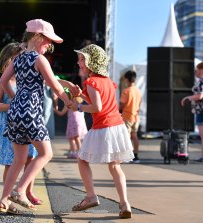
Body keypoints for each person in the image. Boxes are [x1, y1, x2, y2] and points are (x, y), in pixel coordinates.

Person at [0, 19, 76, 211]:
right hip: (31, 113)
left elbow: (3, 80)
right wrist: (69, 103)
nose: (49, 45)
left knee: (18, 160)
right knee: (46, 153)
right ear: (37, 36)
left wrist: (15, 98)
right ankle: (20, 190)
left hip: (15, 112)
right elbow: (55, 85)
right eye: (48, 40)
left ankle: (4, 199)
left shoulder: (17, 59)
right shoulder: (39, 60)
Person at [71, 44, 134, 219]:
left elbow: (97, 107)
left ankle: (91, 195)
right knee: (115, 166)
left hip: (103, 127)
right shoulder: (107, 82)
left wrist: (79, 107)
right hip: (117, 126)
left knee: (82, 159)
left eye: (82, 59)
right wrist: (81, 95)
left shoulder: (91, 81)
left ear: (92, 62)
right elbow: (101, 100)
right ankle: (124, 204)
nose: (79, 62)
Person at [0, 43, 42, 215]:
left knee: (30, 158)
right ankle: (6, 198)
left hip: (27, 123)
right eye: (18, 57)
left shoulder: (25, 78)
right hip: (8, 124)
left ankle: (27, 192)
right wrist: (12, 105)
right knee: (10, 162)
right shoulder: (4, 81)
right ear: (10, 60)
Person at [181, 62, 203, 164]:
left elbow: (200, 96)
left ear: (202, 70)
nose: (196, 71)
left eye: (197, 69)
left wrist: (187, 98)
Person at [54, 93, 88, 159]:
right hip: (78, 124)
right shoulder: (80, 105)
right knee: (75, 138)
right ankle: (77, 152)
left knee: (73, 138)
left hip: (73, 124)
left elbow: (61, 113)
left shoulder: (69, 105)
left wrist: (54, 110)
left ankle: (77, 152)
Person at [120, 70, 142, 163]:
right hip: (136, 117)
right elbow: (139, 104)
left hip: (127, 116)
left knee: (127, 136)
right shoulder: (138, 91)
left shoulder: (126, 91)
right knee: (135, 135)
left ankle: (127, 155)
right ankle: (136, 155)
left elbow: (122, 104)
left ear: (126, 79)